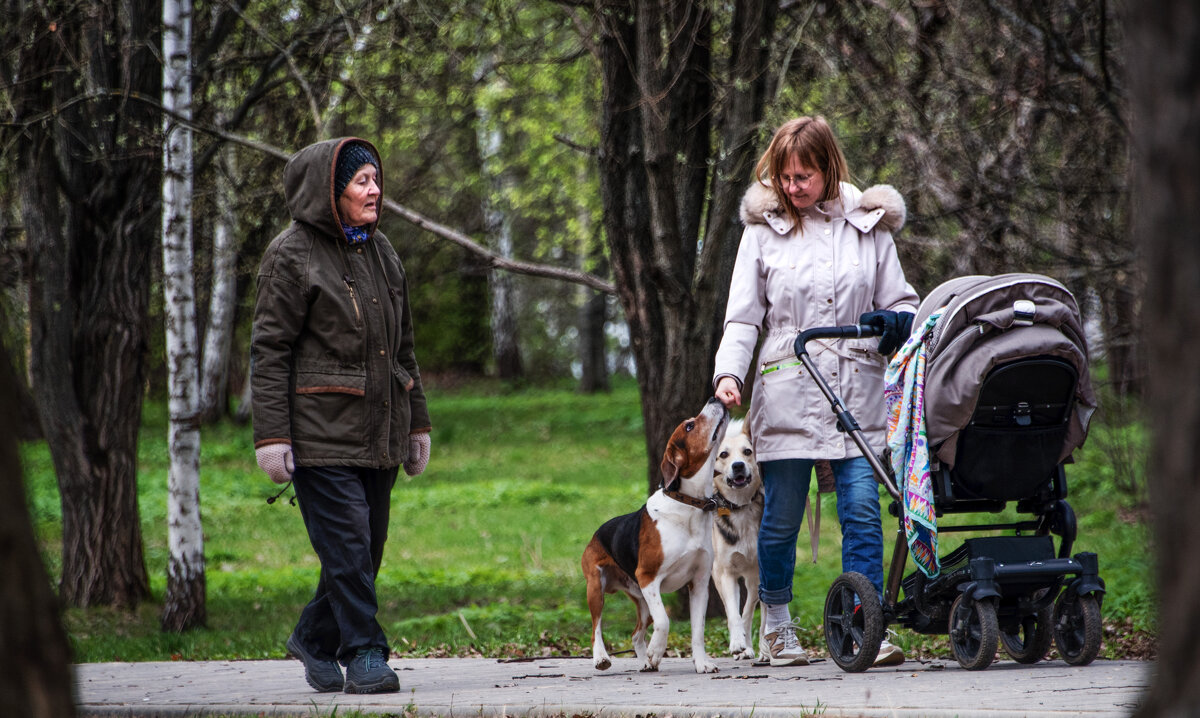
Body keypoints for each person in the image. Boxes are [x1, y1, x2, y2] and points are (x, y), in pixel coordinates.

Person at [712, 116, 918, 668]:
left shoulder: (869, 225)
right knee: (779, 516)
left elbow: (903, 302)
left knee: (862, 512)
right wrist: (729, 373)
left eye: (804, 175)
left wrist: (894, 322)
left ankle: (864, 626)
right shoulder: (761, 231)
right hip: (788, 388)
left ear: (829, 169)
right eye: (784, 176)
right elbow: (742, 318)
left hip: (855, 388)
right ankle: (776, 626)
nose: (793, 187)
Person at [251, 137, 432, 694]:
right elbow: (269, 349)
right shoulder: (292, 254)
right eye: (362, 182)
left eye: (376, 179)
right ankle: (366, 653)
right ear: (332, 192)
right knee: (349, 548)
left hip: (379, 431)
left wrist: (417, 421)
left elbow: (403, 348)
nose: (375, 190)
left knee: (364, 551)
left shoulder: (382, 252)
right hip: (319, 433)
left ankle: (312, 634)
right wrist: (272, 436)